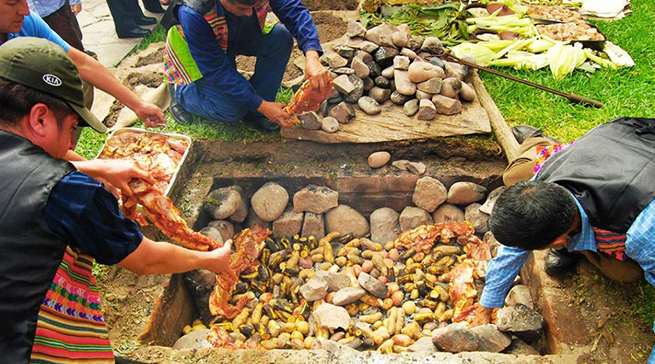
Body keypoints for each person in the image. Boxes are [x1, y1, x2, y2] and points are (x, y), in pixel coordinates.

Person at [0, 37, 235, 364]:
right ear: (40, 118)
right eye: (71, 128)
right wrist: (213, 261)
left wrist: (97, 166)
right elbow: (145, 260)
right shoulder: (67, 191)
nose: (72, 141)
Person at [471, 117, 655, 362]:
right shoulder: (544, 183)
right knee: (516, 175)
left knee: (624, 272)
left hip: (643, 183)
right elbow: (512, 250)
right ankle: (539, 141)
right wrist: (487, 305)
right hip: (625, 142)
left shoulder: (643, 233)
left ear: (557, 241)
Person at [0, 0, 166, 133]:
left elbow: (82, 63)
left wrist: (138, 104)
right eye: (12, 3)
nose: (25, 10)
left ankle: (63, 142)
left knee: (78, 81)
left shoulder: (29, 22)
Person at [164, 0, 330, 132]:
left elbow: (295, 11)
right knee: (232, 110)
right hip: (201, 46)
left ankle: (256, 112)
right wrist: (263, 105)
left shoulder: (246, 12)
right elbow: (216, 71)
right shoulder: (192, 11)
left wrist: (312, 55)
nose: (250, 13)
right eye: (242, 8)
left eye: (256, 5)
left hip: (238, 32)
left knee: (281, 38)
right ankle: (181, 93)